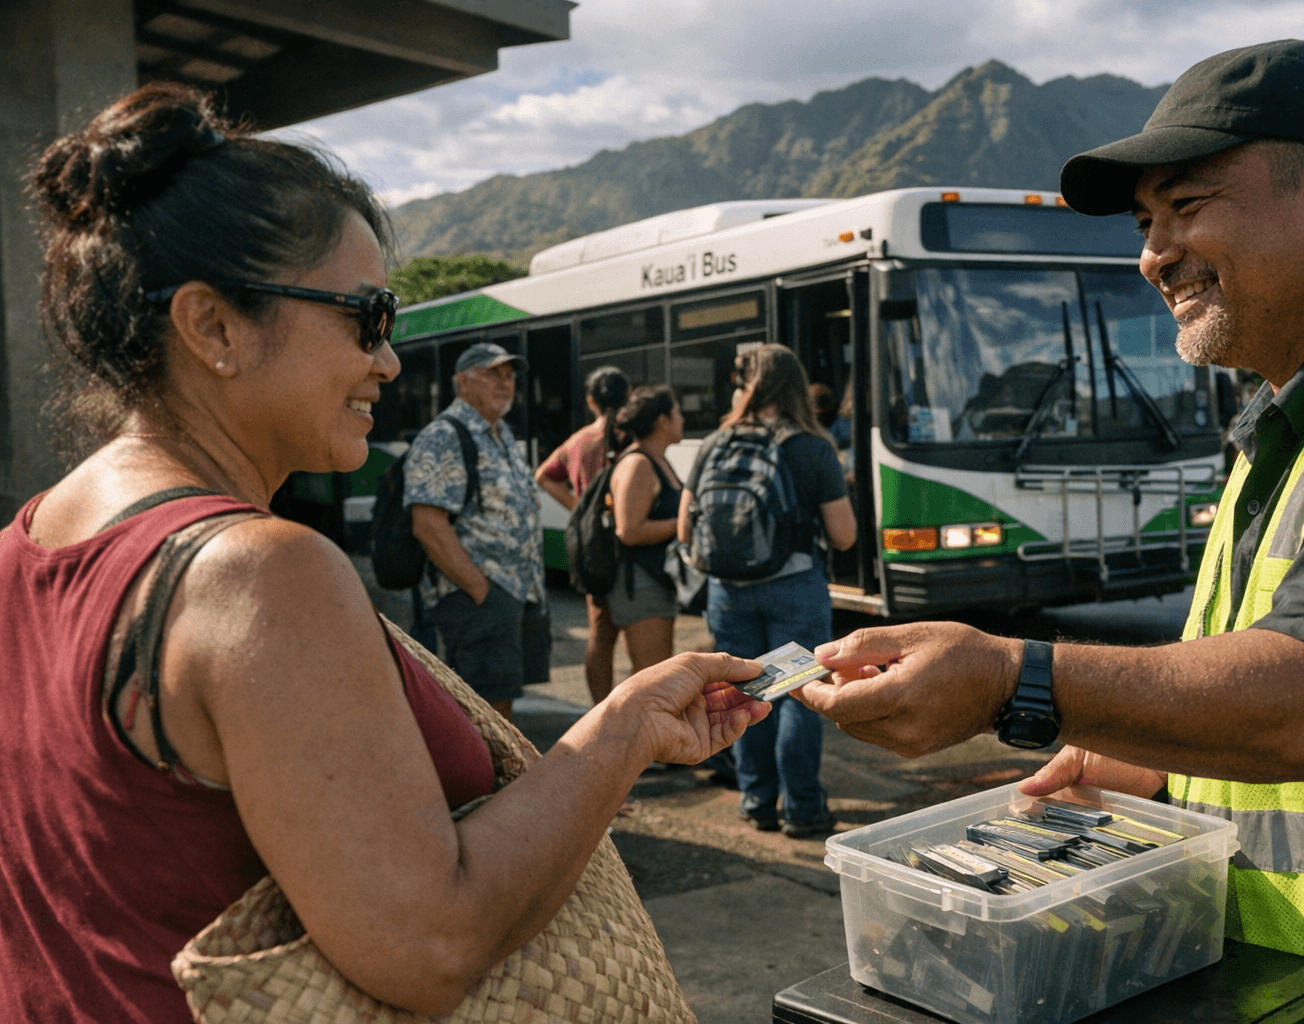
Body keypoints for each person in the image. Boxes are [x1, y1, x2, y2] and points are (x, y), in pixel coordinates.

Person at [795, 40, 1304, 1023]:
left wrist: (1013, 680)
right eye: (1147, 222)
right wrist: (1157, 753)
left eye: (1185, 208)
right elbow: (1270, 682)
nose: (1150, 256)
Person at [0, 82, 771, 1024]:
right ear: (213, 327)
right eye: (367, 316)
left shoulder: (22, 547)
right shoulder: (259, 572)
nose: (388, 360)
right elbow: (429, 943)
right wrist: (625, 730)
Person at [681, 345, 857, 837]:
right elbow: (844, 536)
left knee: (742, 693)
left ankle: (757, 800)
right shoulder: (812, 447)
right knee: (798, 693)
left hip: (727, 592)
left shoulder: (715, 441)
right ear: (795, 386)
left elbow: (684, 528)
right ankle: (802, 808)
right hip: (795, 588)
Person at [405, 341, 548, 723]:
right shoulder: (445, 436)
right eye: (492, 374)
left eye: (509, 375)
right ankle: (486, 783)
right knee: (483, 711)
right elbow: (428, 524)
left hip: (515, 592)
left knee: (501, 703)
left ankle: (500, 780)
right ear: (462, 383)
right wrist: (481, 590)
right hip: (479, 598)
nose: (505, 384)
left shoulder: (500, 434)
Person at [536, 365, 631, 703]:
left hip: (594, 550)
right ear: (628, 395)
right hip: (632, 547)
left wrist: (579, 506)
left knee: (600, 637)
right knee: (641, 642)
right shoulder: (632, 437)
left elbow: (544, 476)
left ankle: (601, 711)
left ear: (591, 401)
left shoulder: (579, 442)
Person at [606, 384, 687, 673]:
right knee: (653, 679)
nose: (682, 419)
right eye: (677, 412)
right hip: (640, 585)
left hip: (655, 581)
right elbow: (629, 530)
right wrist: (682, 524)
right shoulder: (638, 464)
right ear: (662, 420)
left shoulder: (658, 459)